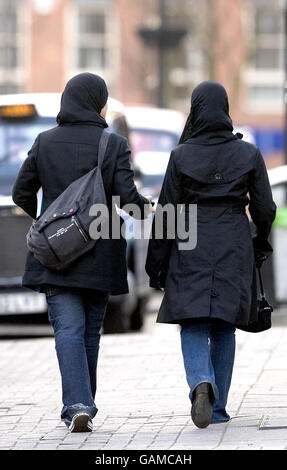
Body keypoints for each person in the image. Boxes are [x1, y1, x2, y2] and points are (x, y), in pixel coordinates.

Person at [12, 73, 153, 432]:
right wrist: (145, 207)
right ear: (96, 102)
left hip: (56, 255)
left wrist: (49, 223)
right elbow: (126, 200)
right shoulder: (113, 143)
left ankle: (78, 404)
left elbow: (21, 193)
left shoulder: (44, 142)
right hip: (100, 254)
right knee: (90, 331)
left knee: (68, 330)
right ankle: (81, 403)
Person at [145, 81, 276, 428]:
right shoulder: (248, 154)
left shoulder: (181, 155)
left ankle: (201, 382)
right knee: (223, 325)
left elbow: (166, 213)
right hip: (233, 239)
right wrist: (260, 243)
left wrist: (155, 267)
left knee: (193, 322)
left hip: (191, 242)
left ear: (196, 109)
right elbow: (265, 208)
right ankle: (216, 408)